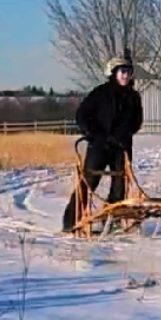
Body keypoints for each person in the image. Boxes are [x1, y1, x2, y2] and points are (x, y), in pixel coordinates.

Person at [62, 54, 144, 232]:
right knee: (89, 181)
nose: (125, 75)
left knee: (120, 185)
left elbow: (136, 121)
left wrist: (124, 133)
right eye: (122, 71)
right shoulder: (100, 93)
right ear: (113, 73)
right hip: (99, 145)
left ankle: (112, 221)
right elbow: (82, 116)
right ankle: (70, 222)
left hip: (121, 147)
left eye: (128, 71)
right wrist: (95, 133)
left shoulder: (133, 97)